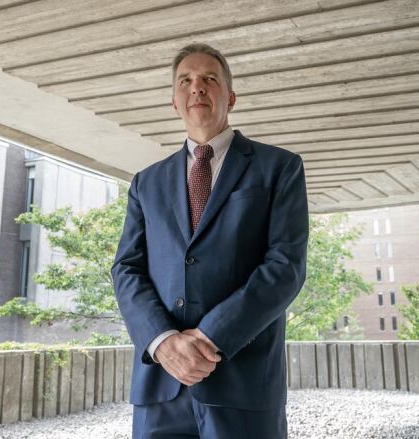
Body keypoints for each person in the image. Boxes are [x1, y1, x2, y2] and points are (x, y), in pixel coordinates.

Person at [111, 43, 308, 439]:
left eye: (209, 79)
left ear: (230, 97)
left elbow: (285, 267)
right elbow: (126, 268)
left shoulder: (280, 167)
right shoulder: (145, 183)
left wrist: (209, 338)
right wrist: (163, 342)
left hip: (242, 383)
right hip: (160, 387)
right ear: (174, 102)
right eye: (186, 81)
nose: (197, 88)